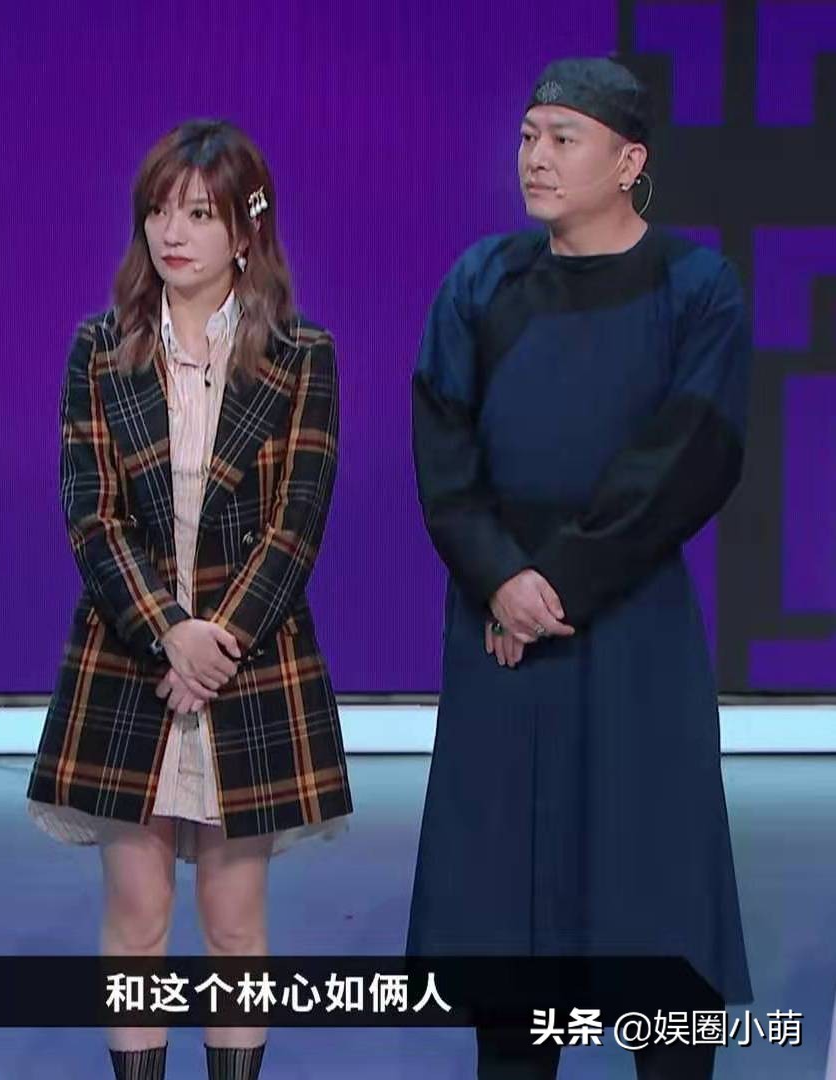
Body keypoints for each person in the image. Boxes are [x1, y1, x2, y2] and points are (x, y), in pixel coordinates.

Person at [405, 58, 752, 1079]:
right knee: (509, 920)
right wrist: (499, 578)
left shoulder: (697, 287)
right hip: (499, 628)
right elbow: (444, 451)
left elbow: (690, 453)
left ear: (629, 161)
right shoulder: (481, 281)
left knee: (658, 893)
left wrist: (553, 584)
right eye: (527, 136)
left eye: (563, 138)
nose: (536, 157)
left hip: (631, 619)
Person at [26, 119, 352, 1080]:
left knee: (234, 928)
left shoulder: (301, 355)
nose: (173, 232)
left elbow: (297, 521)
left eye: (200, 214)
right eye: (160, 211)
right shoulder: (100, 350)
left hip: (248, 670)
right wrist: (169, 633)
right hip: (129, 662)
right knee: (136, 924)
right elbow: (90, 516)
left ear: (246, 231)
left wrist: (215, 646)